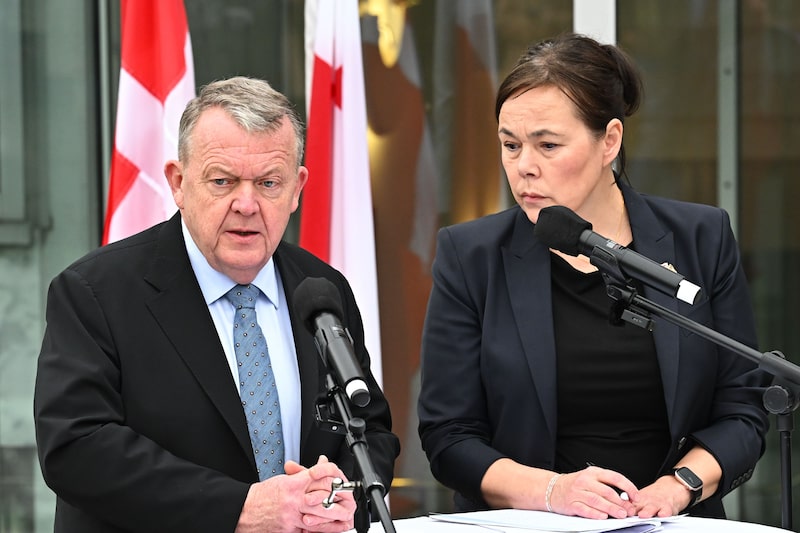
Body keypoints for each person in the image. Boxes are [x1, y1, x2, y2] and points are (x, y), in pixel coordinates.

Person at [417, 33, 770, 521]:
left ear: (610, 141)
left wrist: (677, 488)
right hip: (529, 526)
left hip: (670, 523)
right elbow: (448, 435)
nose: (524, 168)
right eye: (510, 145)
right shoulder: (471, 255)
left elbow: (742, 408)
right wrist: (552, 491)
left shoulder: (701, 238)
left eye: (548, 145)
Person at [34, 76, 400, 533]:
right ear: (179, 183)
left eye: (268, 183)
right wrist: (240, 509)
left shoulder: (322, 290)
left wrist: (341, 494)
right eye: (223, 181)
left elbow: (370, 430)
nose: (246, 204)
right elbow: (76, 449)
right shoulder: (95, 292)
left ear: (297, 188)